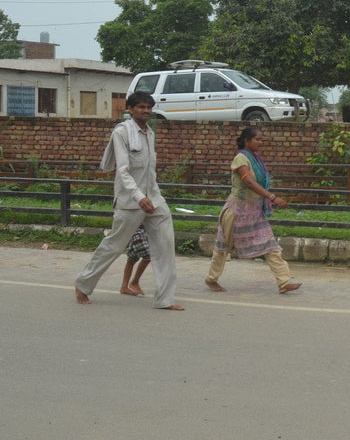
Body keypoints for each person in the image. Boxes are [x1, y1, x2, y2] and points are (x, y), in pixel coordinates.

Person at [75, 92, 183, 310]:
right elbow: (123, 171)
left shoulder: (149, 133)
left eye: (149, 108)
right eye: (141, 107)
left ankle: (165, 299)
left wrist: (152, 196)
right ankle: (83, 284)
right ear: (130, 109)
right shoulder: (122, 132)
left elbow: (149, 171)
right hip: (130, 200)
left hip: (153, 198)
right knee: (114, 245)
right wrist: (138, 196)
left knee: (165, 245)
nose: (146, 111)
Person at [204, 126, 302, 294]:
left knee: (270, 245)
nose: (260, 142)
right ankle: (211, 279)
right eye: (257, 139)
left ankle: (283, 281)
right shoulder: (241, 159)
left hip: (254, 212)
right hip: (236, 212)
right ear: (246, 141)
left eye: (261, 139)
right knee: (223, 248)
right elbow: (249, 182)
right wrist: (272, 198)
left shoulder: (256, 159)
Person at [119, 225, 151, 296]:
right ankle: (134, 282)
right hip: (136, 230)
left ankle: (124, 287)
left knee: (132, 258)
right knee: (148, 256)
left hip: (144, 230)